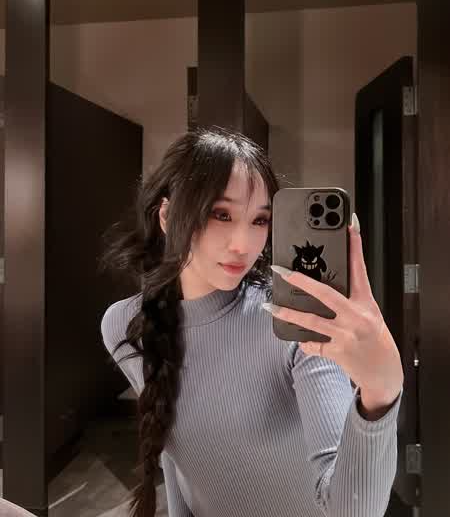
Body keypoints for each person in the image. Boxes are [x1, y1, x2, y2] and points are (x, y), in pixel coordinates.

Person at [100, 125, 403, 517]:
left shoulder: (293, 324)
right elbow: (178, 463)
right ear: (167, 215)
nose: (243, 245)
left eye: (260, 220)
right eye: (221, 214)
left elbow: (352, 511)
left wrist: (381, 393)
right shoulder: (125, 326)